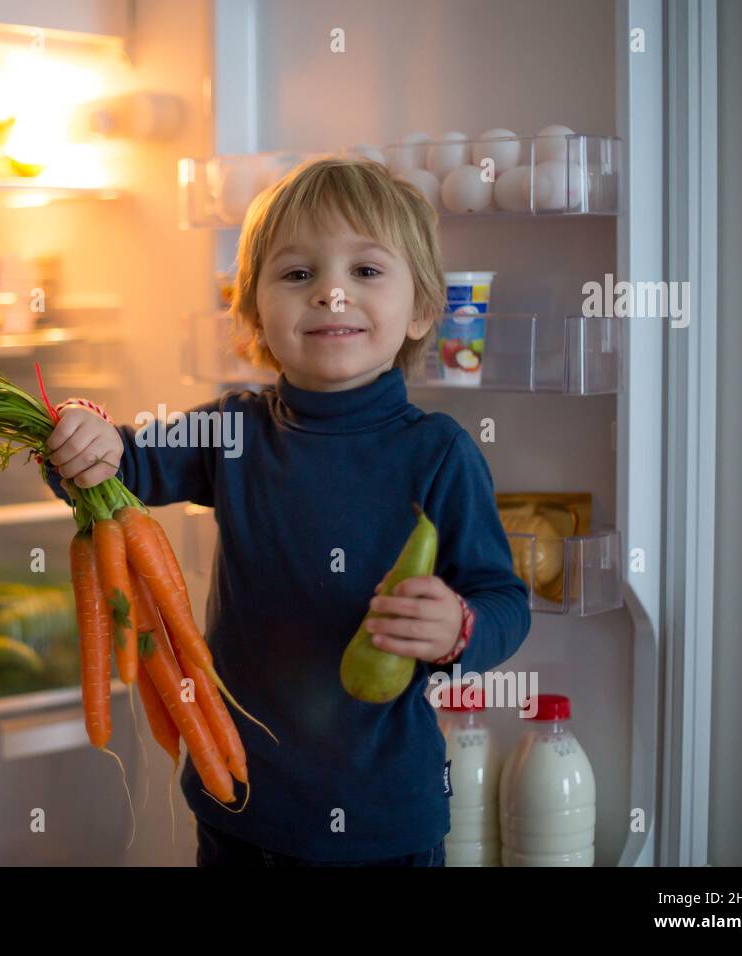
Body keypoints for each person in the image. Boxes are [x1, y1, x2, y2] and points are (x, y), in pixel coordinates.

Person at [41, 156, 531, 866]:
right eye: (298, 274)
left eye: (365, 272)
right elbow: (117, 465)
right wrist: (79, 429)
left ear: (424, 308)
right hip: (240, 803)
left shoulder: (440, 455)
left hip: (383, 820)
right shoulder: (231, 433)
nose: (331, 293)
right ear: (252, 316)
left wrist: (460, 628)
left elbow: (506, 601)